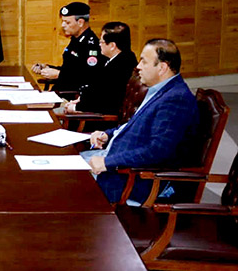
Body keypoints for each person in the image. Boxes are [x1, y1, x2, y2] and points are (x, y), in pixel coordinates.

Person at [84, 39, 199, 204]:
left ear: (162, 67)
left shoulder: (176, 99)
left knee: (69, 183)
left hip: (134, 179)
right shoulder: (159, 90)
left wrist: (107, 162)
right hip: (118, 162)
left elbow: (157, 150)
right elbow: (135, 125)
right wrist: (107, 135)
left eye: (144, 61)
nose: (138, 66)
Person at [64, 22, 138, 115]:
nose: (99, 44)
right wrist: (81, 99)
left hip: (98, 120)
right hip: (87, 106)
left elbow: (108, 102)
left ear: (112, 46)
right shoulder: (117, 59)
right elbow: (98, 89)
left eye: (101, 42)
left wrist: (76, 107)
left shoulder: (121, 67)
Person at [32, 2, 103, 92]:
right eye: (63, 21)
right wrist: (48, 68)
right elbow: (70, 69)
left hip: (73, 96)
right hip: (60, 91)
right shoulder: (76, 40)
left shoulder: (91, 45)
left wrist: (59, 74)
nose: (63, 25)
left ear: (80, 22)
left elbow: (90, 77)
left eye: (67, 22)